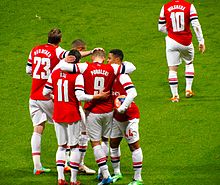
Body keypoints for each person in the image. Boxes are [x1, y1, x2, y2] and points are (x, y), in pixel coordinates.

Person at [59, 48, 136, 185]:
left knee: (95, 143)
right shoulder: (111, 68)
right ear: (103, 57)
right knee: (105, 140)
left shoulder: (85, 67)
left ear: (92, 57)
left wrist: (66, 59)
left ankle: (105, 174)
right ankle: (101, 173)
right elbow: (131, 67)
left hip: (93, 111)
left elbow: (63, 66)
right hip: (108, 111)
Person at [43, 50, 109, 185]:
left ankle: (60, 178)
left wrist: (55, 97)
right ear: (77, 62)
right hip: (72, 113)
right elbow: (80, 96)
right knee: (74, 147)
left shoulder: (55, 73)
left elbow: (45, 92)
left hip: (58, 113)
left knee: (61, 147)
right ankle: (73, 180)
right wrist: (97, 96)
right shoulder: (77, 76)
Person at [26, 28, 69, 175]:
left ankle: (37, 166)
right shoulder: (57, 51)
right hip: (48, 96)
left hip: (33, 96)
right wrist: (90, 53)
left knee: (38, 128)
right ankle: (66, 162)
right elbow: (71, 55)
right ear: (60, 40)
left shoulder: (35, 49)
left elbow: (28, 70)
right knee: (64, 124)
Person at [107, 49, 143, 185]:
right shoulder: (111, 75)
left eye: (109, 58)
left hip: (129, 116)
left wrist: (123, 108)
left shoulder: (123, 76)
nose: (107, 61)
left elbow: (133, 93)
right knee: (114, 144)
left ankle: (138, 178)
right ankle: (117, 173)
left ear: (117, 60)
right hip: (117, 117)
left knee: (134, 146)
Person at [158, 0, 205, 102]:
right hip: (186, 42)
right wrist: (201, 41)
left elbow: (160, 27)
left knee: (172, 69)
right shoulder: (189, 6)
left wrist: (171, 32)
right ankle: (188, 90)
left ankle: (175, 96)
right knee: (189, 63)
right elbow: (196, 25)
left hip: (171, 41)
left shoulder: (165, 7)